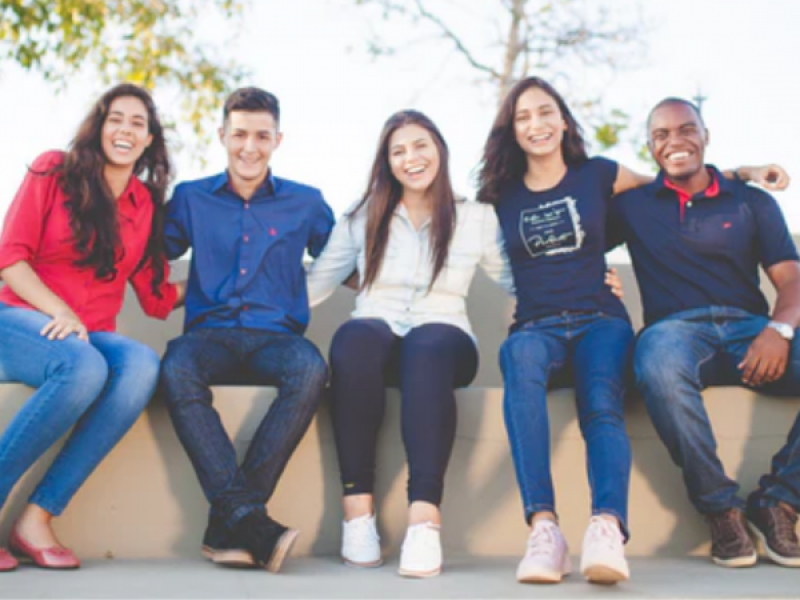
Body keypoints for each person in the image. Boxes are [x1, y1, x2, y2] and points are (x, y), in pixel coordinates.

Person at [476, 76, 785, 585]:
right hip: (536, 326)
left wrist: (744, 171)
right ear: (510, 129)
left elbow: (674, 181)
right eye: (524, 116)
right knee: (520, 363)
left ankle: (607, 528)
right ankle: (545, 529)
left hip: (601, 320)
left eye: (546, 112)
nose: (537, 124)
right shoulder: (497, 196)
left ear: (564, 119)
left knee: (601, 400)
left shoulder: (598, 175)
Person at [306, 109, 623, 578]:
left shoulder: (475, 218)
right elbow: (315, 284)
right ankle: (358, 513)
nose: (410, 158)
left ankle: (424, 519)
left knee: (427, 346)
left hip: (444, 338)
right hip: (376, 333)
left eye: (420, 146)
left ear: (439, 151)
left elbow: (522, 280)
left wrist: (587, 283)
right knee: (353, 338)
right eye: (398, 151)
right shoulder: (363, 215)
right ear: (386, 161)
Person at [610, 97, 800, 569]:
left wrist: (779, 329)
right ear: (650, 148)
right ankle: (720, 510)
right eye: (661, 135)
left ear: (706, 135)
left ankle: (779, 500)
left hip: (751, 333)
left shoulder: (752, 201)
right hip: (675, 334)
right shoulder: (633, 206)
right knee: (654, 360)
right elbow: (578, 192)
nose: (675, 141)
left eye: (686, 129)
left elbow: (791, 277)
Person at [0, 83, 182, 571]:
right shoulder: (52, 170)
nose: (125, 130)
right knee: (83, 368)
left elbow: (155, 294)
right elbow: (10, 259)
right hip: (18, 317)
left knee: (142, 365)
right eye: (115, 118)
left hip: (87, 333)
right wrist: (58, 310)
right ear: (100, 126)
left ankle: (36, 518)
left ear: (149, 141)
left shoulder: (144, 204)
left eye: (137, 123)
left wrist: (232, 281)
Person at [158, 87, 334, 573]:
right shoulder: (191, 198)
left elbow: (347, 259)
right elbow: (149, 252)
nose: (249, 147)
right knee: (175, 366)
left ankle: (231, 522)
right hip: (207, 337)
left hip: (277, 339)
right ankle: (251, 521)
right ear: (222, 136)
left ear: (278, 138)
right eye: (239, 134)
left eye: (261, 135)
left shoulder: (307, 202)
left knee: (310, 369)